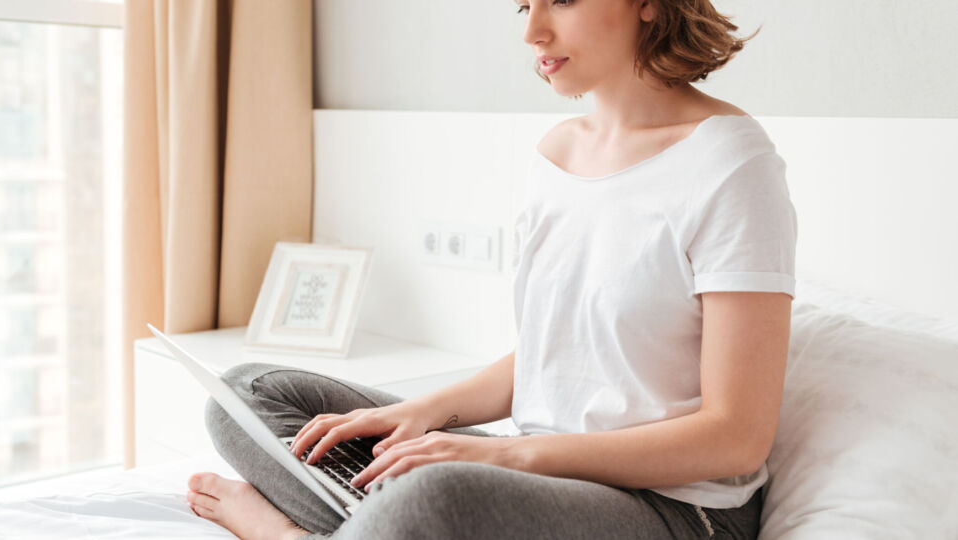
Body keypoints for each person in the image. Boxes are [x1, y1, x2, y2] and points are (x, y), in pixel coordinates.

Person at [184, 0, 796, 538]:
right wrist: (421, 414)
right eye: (523, 6)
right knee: (245, 395)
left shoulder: (731, 166)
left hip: (675, 510)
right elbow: (548, 354)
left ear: (647, 3)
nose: (533, 32)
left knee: (435, 496)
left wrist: (509, 460)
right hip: (540, 469)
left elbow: (736, 435)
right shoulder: (556, 155)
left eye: (561, 0)